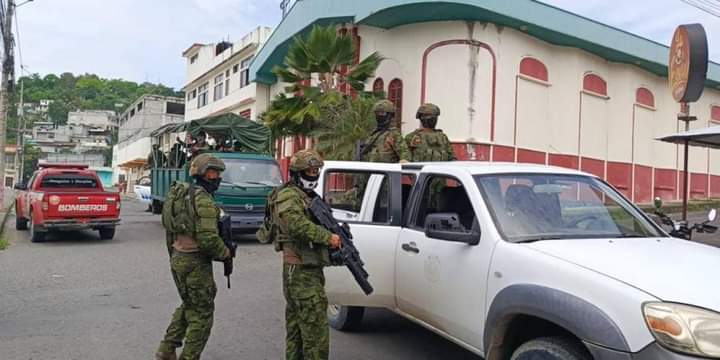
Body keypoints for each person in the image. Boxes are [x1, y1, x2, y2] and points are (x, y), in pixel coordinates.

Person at [258, 149, 342, 360]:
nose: (314, 176)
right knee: (315, 333)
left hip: (308, 268)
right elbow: (296, 225)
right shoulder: (288, 195)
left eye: (316, 171)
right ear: (296, 173)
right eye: (309, 172)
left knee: (298, 328)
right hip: (300, 270)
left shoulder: (307, 196)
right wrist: (327, 237)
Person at [156, 154, 231, 360]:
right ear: (201, 174)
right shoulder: (203, 200)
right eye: (212, 173)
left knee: (189, 305)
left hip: (178, 257)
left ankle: (166, 348)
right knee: (203, 314)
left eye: (217, 173)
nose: (216, 178)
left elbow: (170, 229)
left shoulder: (181, 194)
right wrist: (225, 252)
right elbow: (208, 240)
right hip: (194, 262)